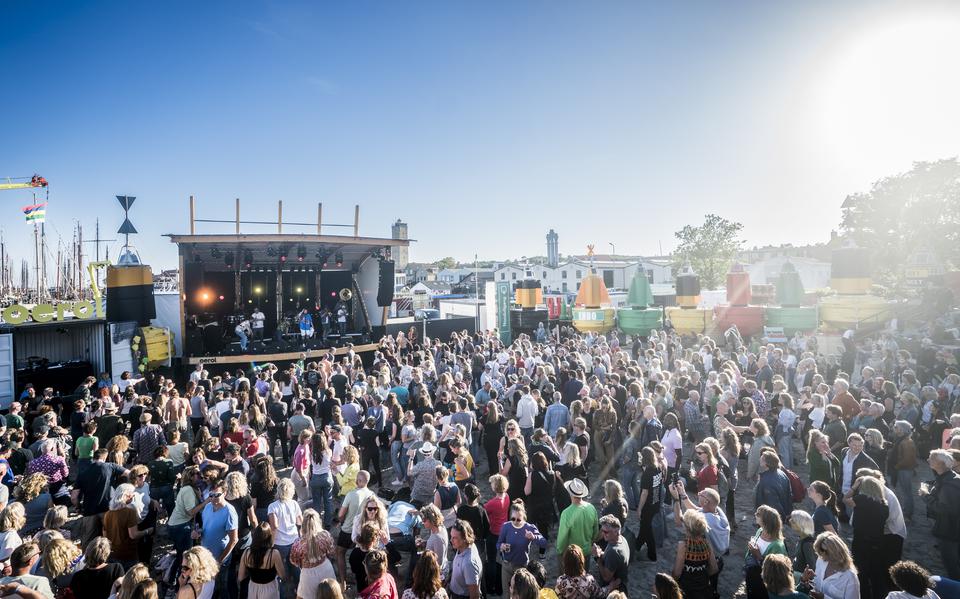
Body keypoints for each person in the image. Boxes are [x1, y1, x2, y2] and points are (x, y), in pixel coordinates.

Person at [921, 450, 960, 580]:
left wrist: (926, 496)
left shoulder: (949, 484)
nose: (927, 460)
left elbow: (944, 509)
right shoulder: (949, 477)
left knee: (951, 564)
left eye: (931, 459)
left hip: (950, 531)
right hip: (951, 528)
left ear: (941, 464)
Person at [497, 501, 546, 594]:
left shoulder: (530, 528)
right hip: (506, 566)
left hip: (521, 568)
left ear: (523, 517)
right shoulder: (506, 526)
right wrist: (501, 546)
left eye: (518, 519)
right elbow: (498, 544)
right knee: (507, 595)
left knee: (521, 595)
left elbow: (543, 543)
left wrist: (533, 537)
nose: (515, 522)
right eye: (513, 519)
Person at [672, 509, 719, 599]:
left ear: (687, 528)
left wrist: (672, 582)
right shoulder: (706, 544)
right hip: (703, 588)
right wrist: (700, 577)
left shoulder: (683, 545)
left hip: (686, 589)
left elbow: (677, 573)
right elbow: (714, 569)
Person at [268, 478, 303, 598]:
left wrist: (271, 544)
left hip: (279, 543)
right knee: (295, 568)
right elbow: (300, 522)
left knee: (280, 572)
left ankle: (282, 595)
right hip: (294, 540)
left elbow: (274, 527)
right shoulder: (294, 504)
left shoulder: (272, 506)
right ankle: (300, 592)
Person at [745, 505, 789, 599]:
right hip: (753, 576)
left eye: (758, 514)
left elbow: (776, 571)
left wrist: (758, 556)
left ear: (766, 520)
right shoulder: (760, 531)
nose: (755, 514)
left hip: (765, 586)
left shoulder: (777, 546)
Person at [799, 532, 860, 599]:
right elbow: (819, 585)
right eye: (819, 554)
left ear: (834, 554)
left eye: (823, 554)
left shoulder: (850, 577)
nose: (821, 557)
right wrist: (807, 582)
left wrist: (824, 598)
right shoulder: (821, 560)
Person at [291, 509, 336, 599]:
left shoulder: (297, 543)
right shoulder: (326, 535)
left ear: (303, 524)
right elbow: (332, 553)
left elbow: (294, 562)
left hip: (308, 576)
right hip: (325, 569)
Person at [238, 522, 286, 599]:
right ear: (269, 537)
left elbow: (240, 577)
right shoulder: (274, 554)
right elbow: (282, 576)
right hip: (269, 589)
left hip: (252, 589)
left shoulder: (246, 552)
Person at [555, 479, 598, 565]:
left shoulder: (566, 513)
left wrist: (560, 551)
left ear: (570, 493)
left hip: (573, 554)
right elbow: (595, 530)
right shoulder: (591, 507)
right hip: (587, 551)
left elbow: (562, 537)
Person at [483, 474, 510, 596]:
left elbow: (483, 511)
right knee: (502, 560)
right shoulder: (507, 497)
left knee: (492, 561)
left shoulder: (493, 503)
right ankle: (501, 587)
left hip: (493, 533)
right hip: (504, 532)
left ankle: (491, 587)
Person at [636, 446, 663, 561]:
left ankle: (652, 554)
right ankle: (637, 545)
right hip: (655, 501)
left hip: (648, 505)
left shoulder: (647, 473)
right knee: (644, 526)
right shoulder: (658, 468)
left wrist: (639, 508)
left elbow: (644, 493)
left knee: (646, 528)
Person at [592, 514, 629, 594]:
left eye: (606, 532)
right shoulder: (622, 539)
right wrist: (601, 553)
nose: (603, 533)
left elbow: (606, 578)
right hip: (621, 582)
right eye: (602, 530)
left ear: (616, 531)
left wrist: (597, 558)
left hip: (614, 590)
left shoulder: (613, 552)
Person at [448, 520, 482, 599]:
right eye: (451, 536)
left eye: (454, 538)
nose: (451, 540)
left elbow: (474, 596)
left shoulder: (469, 563)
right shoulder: (462, 547)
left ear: (465, 538)